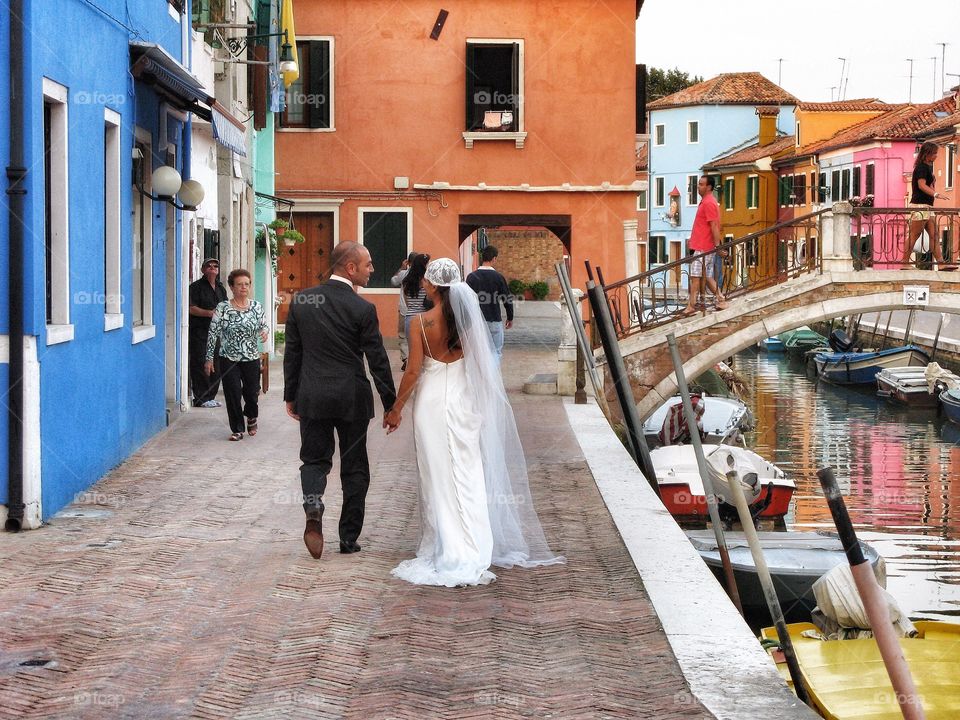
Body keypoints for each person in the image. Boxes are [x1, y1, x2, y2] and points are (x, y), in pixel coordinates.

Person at [384, 258, 563, 587]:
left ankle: (447, 544)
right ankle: (475, 543)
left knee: (437, 475)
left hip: (431, 403)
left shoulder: (420, 322)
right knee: (468, 472)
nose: (421, 283)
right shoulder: (468, 324)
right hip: (464, 402)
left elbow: (413, 371)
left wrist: (396, 409)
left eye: (425, 280)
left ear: (434, 286)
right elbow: (482, 367)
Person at [283, 242, 398, 560]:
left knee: (314, 461)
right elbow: (377, 359)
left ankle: (313, 507)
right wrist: (391, 403)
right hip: (351, 398)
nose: (372, 269)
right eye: (368, 264)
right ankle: (348, 538)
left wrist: (291, 395)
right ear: (350, 268)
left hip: (313, 395)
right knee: (355, 466)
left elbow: (293, 353)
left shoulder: (302, 300)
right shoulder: (363, 309)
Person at [205, 269, 268, 441]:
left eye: (246, 284)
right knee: (232, 393)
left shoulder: (256, 306)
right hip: (228, 358)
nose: (243, 287)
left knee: (252, 393)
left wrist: (265, 332)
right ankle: (237, 429)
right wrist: (209, 358)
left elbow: (264, 325)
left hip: (251, 358)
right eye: (239, 284)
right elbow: (213, 333)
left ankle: (251, 416)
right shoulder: (223, 308)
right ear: (232, 287)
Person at [901, 141, 953, 269]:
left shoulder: (926, 168)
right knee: (915, 234)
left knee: (934, 235)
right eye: (934, 153)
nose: (936, 156)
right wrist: (936, 194)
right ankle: (905, 262)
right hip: (920, 206)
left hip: (927, 207)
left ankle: (941, 264)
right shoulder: (921, 168)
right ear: (927, 154)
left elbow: (927, 185)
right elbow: (921, 185)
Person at [681, 175, 728, 316]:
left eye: (701, 184)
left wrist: (718, 246)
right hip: (703, 246)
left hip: (704, 247)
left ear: (709, 187)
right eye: (698, 184)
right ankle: (721, 300)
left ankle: (691, 305)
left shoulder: (708, 203)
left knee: (695, 276)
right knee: (706, 276)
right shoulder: (707, 202)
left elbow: (714, 226)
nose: (698, 186)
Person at [466, 245, 514, 364]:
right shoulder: (498, 277)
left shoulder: (471, 277)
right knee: (495, 352)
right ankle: (493, 374)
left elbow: (466, 299)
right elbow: (507, 299)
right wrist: (510, 317)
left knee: (477, 352)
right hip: (494, 319)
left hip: (476, 321)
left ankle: (480, 374)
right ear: (494, 259)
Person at [189, 258, 227, 407]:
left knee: (216, 364)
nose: (212, 268)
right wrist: (209, 313)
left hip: (217, 333)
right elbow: (191, 308)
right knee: (201, 363)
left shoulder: (220, 288)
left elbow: (225, 307)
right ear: (203, 270)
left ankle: (211, 396)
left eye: (215, 266)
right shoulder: (195, 287)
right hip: (200, 332)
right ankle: (201, 398)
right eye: (209, 266)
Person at [391, 252, 418, 371]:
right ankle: (417, 359)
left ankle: (406, 359)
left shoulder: (403, 274)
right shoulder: (423, 274)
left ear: (408, 262)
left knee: (403, 335)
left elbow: (393, 281)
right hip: (419, 311)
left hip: (404, 310)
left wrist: (401, 268)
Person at [400, 253, 430, 341]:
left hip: (409, 318)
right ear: (423, 266)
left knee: (412, 347)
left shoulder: (406, 282)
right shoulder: (427, 282)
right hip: (424, 318)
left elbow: (406, 302)